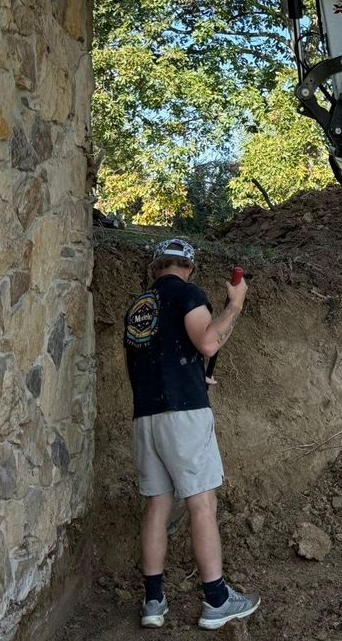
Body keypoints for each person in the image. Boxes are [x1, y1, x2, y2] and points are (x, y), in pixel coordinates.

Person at [124, 238, 260, 630]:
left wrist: (196, 373)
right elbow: (207, 340)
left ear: (155, 268)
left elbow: (176, 349)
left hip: (146, 416)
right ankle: (217, 600)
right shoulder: (187, 293)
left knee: (158, 504)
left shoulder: (140, 305)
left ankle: (153, 601)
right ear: (189, 267)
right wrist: (235, 303)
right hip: (183, 415)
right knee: (202, 503)